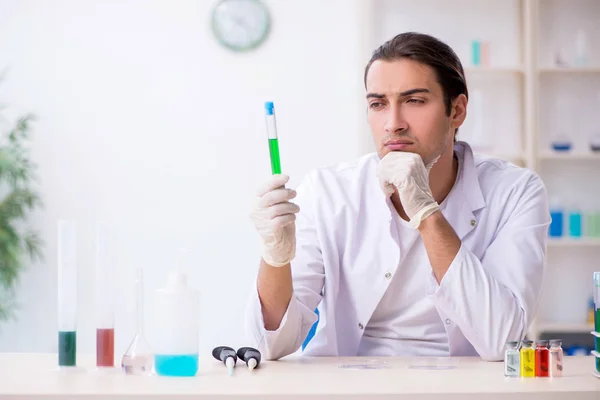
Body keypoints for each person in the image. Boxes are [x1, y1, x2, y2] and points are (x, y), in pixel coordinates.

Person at [245, 32, 550, 361]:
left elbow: (502, 340)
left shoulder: (516, 192)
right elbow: (270, 345)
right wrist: (275, 258)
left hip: (460, 386)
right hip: (344, 384)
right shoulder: (327, 192)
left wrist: (426, 213)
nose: (393, 124)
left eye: (414, 101)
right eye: (378, 104)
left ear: (457, 110)